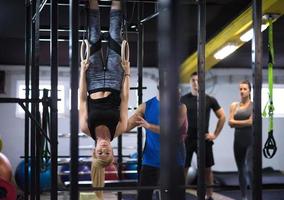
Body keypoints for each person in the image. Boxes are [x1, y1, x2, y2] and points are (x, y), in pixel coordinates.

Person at [79, 0, 130, 199]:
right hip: (116, 78)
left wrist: (82, 73)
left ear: (93, 152)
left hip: (92, 79)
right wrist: (127, 74)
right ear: (113, 154)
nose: (103, 150)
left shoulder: (85, 128)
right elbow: (124, 100)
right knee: (115, 33)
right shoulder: (120, 128)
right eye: (106, 154)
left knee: (93, 34)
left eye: (100, 153)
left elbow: (82, 100)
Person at [126, 91, 188, 200]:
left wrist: (149, 126)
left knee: (177, 196)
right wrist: (104, 134)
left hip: (174, 160)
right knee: (143, 196)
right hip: (151, 159)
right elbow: (126, 126)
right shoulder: (146, 106)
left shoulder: (181, 107)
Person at [181, 72, 226, 200]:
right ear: (190, 82)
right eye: (193, 80)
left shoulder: (209, 99)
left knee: (207, 169)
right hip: (187, 139)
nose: (196, 83)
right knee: (184, 168)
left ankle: (209, 196)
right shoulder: (183, 99)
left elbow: (222, 116)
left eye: (198, 80)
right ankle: (181, 195)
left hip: (204, 139)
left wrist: (215, 134)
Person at [228, 80, 253, 200]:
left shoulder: (254, 105)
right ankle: (244, 196)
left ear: (249, 91)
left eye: (245, 89)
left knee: (249, 169)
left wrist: (236, 122)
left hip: (251, 141)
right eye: (240, 89)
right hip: (237, 141)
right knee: (241, 170)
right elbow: (230, 123)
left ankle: (254, 195)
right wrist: (244, 122)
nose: (242, 91)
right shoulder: (234, 105)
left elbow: (251, 122)